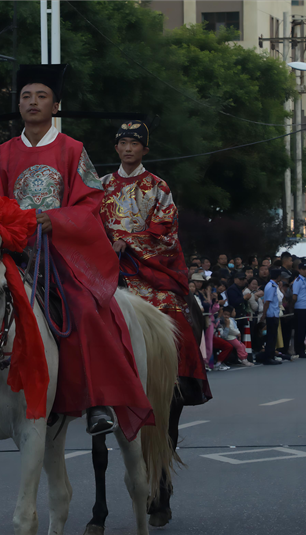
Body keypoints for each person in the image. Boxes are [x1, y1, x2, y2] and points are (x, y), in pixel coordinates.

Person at [0, 64, 153, 439]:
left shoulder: (72, 150)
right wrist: (2, 222)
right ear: (18, 105)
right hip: (11, 253)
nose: (33, 103)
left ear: (56, 105)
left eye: (41, 97)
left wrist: (56, 220)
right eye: (26, 97)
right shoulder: (4, 152)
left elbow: (90, 202)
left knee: (85, 308)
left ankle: (97, 400)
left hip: (59, 254)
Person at [99, 119, 210, 406]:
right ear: (116, 147)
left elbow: (166, 231)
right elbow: (91, 224)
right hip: (106, 263)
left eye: (134, 143)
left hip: (146, 267)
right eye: (123, 143)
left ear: (144, 149)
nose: (127, 148)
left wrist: (129, 242)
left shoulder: (158, 186)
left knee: (170, 304)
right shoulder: (101, 186)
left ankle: (175, 378)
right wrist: (106, 244)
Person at [258, 268, 283, 365]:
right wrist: (264, 314)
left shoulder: (274, 286)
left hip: (274, 313)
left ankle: (271, 355)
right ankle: (269, 357)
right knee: (271, 337)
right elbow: (267, 302)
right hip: (271, 314)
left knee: (273, 336)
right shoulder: (271, 286)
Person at [292, 260, 306, 359]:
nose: (305, 271)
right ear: (299, 270)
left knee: (303, 329)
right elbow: (294, 296)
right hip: (300, 307)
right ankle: (299, 350)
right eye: (303, 269)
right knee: (299, 330)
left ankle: (302, 349)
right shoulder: (298, 281)